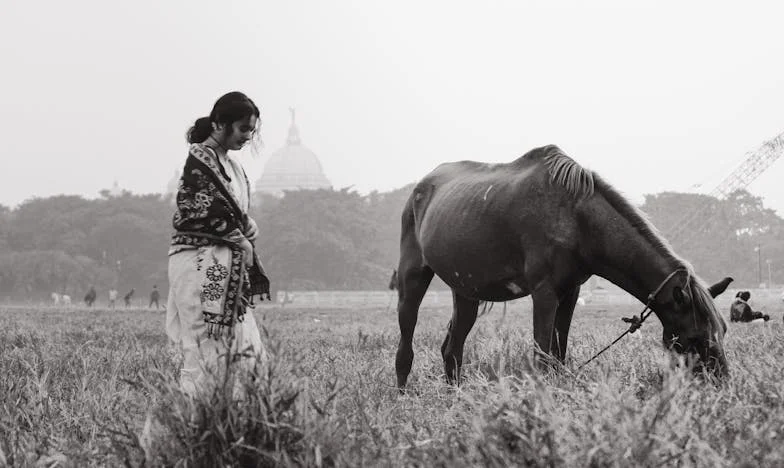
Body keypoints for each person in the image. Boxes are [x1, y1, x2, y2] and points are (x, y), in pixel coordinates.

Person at [166, 91, 270, 397]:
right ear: (219, 124)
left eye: (251, 131)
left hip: (228, 267)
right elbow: (198, 208)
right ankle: (192, 431)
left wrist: (248, 228)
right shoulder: (200, 159)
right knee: (203, 352)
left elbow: (236, 212)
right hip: (198, 262)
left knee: (246, 353)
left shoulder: (234, 167)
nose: (248, 137)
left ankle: (233, 429)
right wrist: (239, 237)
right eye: (242, 129)